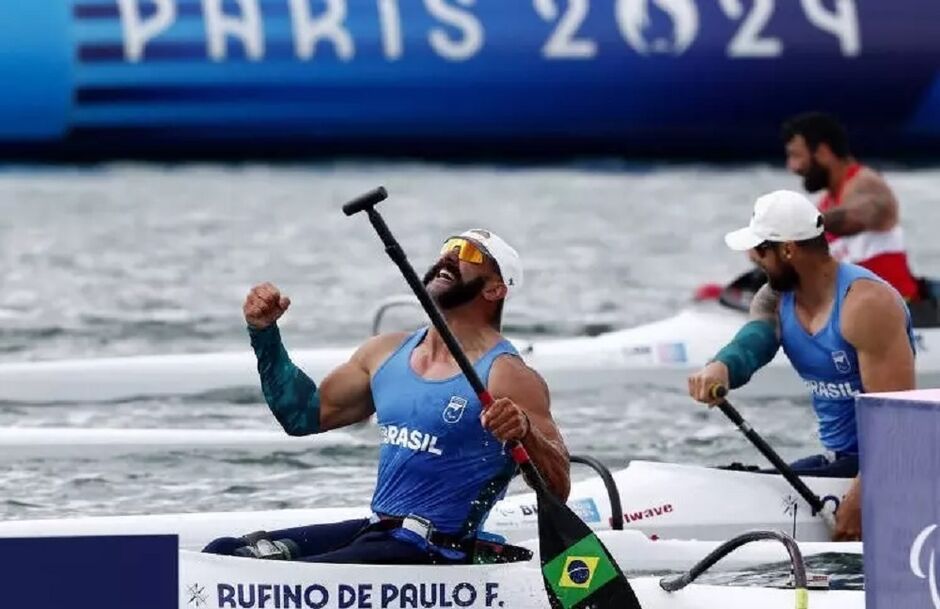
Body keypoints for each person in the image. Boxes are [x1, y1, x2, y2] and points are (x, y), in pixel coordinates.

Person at [203, 228, 570, 564]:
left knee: (273, 578)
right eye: (449, 247)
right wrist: (264, 334)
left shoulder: (507, 375)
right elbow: (301, 415)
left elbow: (558, 488)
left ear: (494, 289)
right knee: (223, 553)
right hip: (378, 532)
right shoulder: (383, 353)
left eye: (470, 254)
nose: (451, 255)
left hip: (440, 550)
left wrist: (523, 431)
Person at [688, 190, 916, 542]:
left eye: (760, 249)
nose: (752, 257)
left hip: (894, 464)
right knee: (732, 485)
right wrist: (721, 367)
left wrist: (860, 499)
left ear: (788, 249)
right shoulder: (774, 298)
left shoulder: (866, 304)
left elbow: (899, 423)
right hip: (839, 464)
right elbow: (755, 341)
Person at [780, 111, 923, 302]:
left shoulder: (867, 184)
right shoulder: (826, 201)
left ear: (822, 152)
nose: (792, 167)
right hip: (856, 307)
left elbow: (853, 217)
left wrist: (796, 225)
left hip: (898, 310)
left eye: (796, 156)